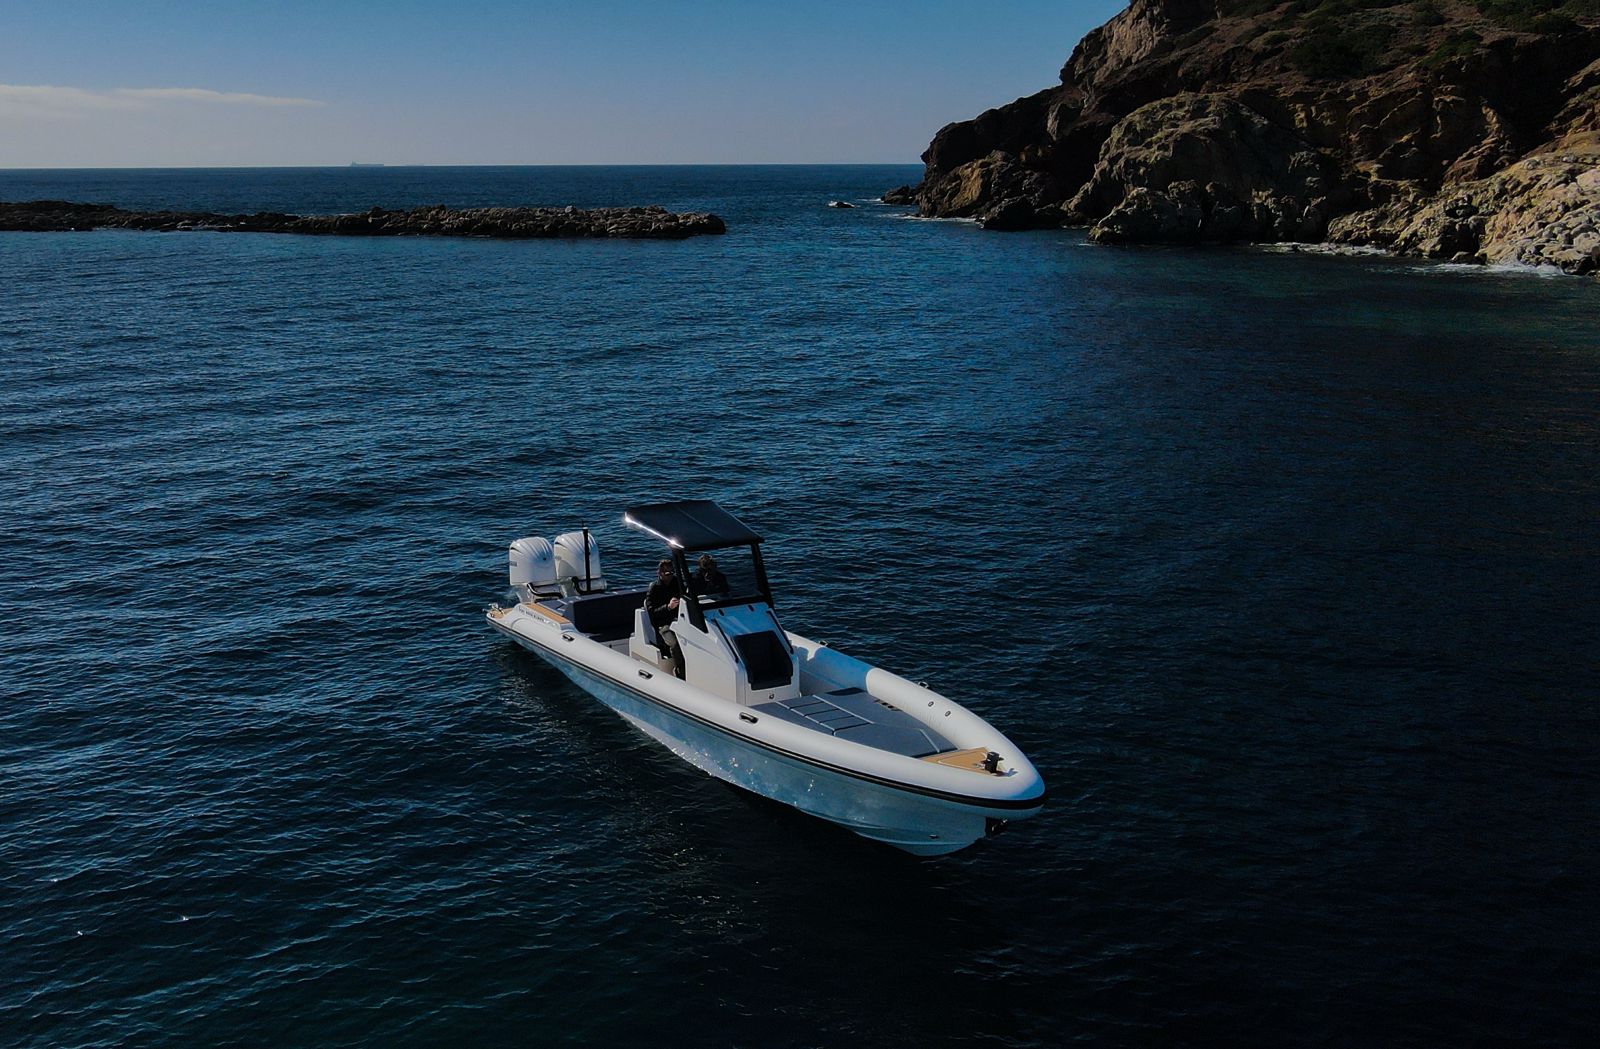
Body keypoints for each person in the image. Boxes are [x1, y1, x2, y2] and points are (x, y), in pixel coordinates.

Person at [645, 559, 684, 678]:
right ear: (659, 573)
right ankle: (680, 671)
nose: (669, 575)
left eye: (671, 572)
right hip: (663, 624)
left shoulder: (677, 583)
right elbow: (652, 612)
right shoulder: (654, 588)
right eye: (666, 572)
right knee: (675, 642)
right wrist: (668, 607)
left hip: (680, 620)